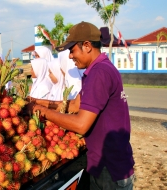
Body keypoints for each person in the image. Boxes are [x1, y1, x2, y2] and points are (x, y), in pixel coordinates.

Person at [28, 21, 135, 189]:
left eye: (72, 50)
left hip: (110, 169)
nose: (70, 56)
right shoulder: (99, 69)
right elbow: (75, 105)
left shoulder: (99, 73)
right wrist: (40, 102)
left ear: (87, 46)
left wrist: (41, 112)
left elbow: (81, 124)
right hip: (109, 163)